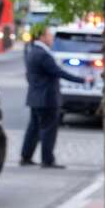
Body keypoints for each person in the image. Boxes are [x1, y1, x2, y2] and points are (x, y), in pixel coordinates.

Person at [20, 24, 90, 169]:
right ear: (42, 37)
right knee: (48, 130)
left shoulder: (32, 51)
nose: (52, 38)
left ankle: (26, 156)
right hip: (47, 99)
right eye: (49, 35)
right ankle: (47, 160)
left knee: (33, 129)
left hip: (35, 97)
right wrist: (82, 80)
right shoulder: (43, 54)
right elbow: (59, 72)